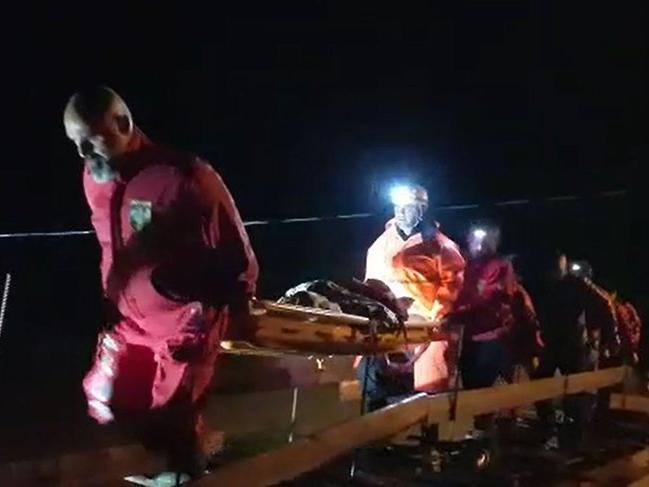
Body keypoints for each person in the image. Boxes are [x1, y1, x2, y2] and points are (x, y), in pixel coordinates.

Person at [64, 86, 258, 479]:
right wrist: (109, 299)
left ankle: (187, 471)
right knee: (105, 402)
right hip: (128, 320)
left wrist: (239, 305)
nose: (83, 153)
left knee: (171, 423)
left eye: (91, 140)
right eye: (75, 143)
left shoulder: (183, 176)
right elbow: (109, 243)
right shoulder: (94, 178)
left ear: (123, 124)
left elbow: (235, 251)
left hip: (182, 326)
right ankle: (154, 472)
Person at [364, 184, 465, 395]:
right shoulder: (380, 245)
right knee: (379, 383)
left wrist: (436, 318)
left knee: (430, 386)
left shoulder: (440, 246)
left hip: (427, 327)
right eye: (397, 207)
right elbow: (371, 284)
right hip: (389, 326)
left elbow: (452, 284)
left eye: (407, 207)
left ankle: (429, 413)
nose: (400, 212)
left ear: (422, 209)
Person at [530, 252, 618, 451]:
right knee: (539, 383)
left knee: (576, 390)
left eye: (558, 267)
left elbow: (605, 303)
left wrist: (611, 337)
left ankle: (574, 435)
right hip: (552, 342)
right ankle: (549, 426)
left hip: (573, 344)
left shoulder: (577, 284)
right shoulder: (544, 285)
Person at [454, 223, 540, 390]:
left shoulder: (499, 265)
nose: (478, 245)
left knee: (483, 384)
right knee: (469, 383)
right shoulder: (468, 265)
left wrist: (455, 314)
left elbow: (486, 297)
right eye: (474, 240)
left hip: (492, 335)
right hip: (470, 334)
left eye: (484, 241)